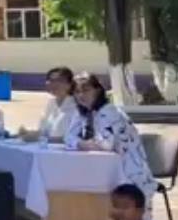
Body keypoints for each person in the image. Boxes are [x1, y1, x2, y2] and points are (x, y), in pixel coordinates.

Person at [65, 73, 157, 205]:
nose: (81, 95)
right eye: (77, 92)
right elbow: (69, 137)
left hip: (130, 176)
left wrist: (83, 144)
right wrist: (81, 144)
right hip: (105, 172)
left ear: (97, 91)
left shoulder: (109, 112)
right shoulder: (83, 113)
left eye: (86, 90)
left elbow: (106, 145)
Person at [21, 67, 78, 144]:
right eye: (51, 80)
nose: (54, 84)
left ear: (69, 84)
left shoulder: (76, 106)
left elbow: (75, 138)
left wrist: (42, 139)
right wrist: (28, 133)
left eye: (59, 81)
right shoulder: (51, 103)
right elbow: (44, 131)